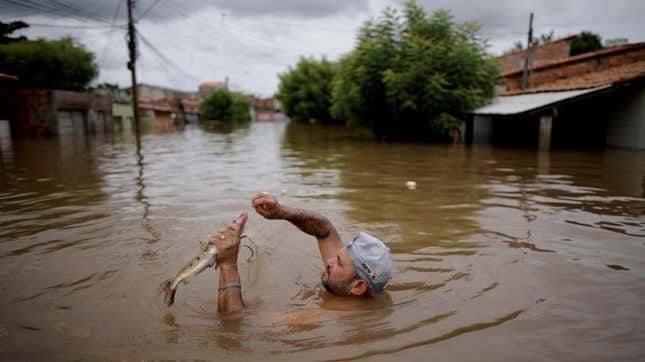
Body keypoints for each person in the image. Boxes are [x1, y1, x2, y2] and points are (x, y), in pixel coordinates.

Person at [209, 192, 393, 315]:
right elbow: (325, 230)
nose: (329, 261)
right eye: (337, 256)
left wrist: (227, 264)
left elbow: (236, 326)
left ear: (358, 287)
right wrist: (281, 212)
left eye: (339, 262)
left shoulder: (329, 316)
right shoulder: (349, 284)